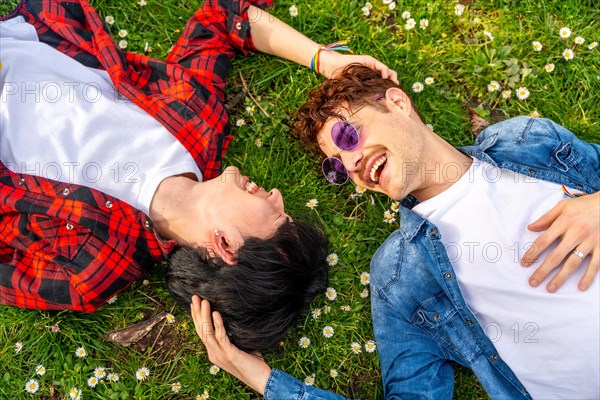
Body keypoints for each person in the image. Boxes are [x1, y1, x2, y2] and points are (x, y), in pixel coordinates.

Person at [0, 0, 396, 353]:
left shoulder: (90, 269)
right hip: (26, 35)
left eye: (279, 217)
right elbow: (223, 17)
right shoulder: (199, 123)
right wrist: (324, 61)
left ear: (226, 246)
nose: (276, 193)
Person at [191, 64, 599, 398]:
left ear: (398, 103)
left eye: (347, 136)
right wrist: (263, 380)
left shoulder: (525, 142)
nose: (350, 166)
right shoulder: (399, 276)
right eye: (336, 168)